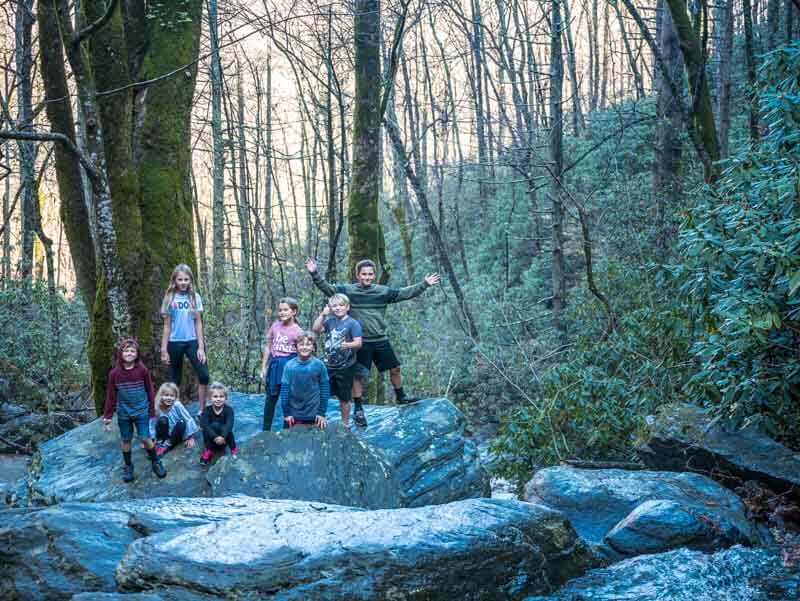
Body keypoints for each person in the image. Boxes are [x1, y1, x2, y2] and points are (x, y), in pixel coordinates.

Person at [305, 258, 440, 420]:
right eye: (363, 274)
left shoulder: (382, 291)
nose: (367, 277)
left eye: (370, 274)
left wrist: (424, 284)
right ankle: (359, 408)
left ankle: (401, 396)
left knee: (395, 368)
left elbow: (404, 293)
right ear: (357, 275)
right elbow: (328, 289)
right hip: (361, 341)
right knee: (358, 375)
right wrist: (314, 273)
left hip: (380, 339)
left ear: (374, 275)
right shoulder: (348, 291)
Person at [103, 338, 167, 482]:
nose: (129, 353)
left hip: (141, 411)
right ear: (121, 353)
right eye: (126, 351)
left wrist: (151, 409)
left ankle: (156, 461)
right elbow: (111, 395)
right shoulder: (114, 373)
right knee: (126, 439)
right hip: (124, 412)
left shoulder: (142, 370)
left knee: (145, 438)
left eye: (132, 351)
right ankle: (128, 466)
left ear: (137, 354)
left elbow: (149, 390)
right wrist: (107, 415)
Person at [160, 264, 209, 415]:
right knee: (175, 379)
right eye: (180, 279)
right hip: (174, 342)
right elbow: (167, 325)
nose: (183, 282)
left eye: (186, 279)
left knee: (204, 374)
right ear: (174, 280)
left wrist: (201, 347)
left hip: (192, 341)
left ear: (190, 280)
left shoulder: (195, 297)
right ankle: (176, 411)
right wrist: (163, 350)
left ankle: (202, 410)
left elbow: (198, 323)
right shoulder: (169, 298)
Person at [312, 294, 362, 428]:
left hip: (345, 366)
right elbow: (316, 329)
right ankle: (319, 419)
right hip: (328, 365)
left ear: (347, 307)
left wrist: (348, 345)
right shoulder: (330, 322)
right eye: (334, 306)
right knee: (323, 392)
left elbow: (358, 343)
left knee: (344, 397)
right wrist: (323, 315)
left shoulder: (353, 323)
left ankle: (345, 424)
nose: (338, 308)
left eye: (341, 305)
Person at [259, 297, 302, 431]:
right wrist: (264, 367)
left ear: (293, 312)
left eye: (285, 310)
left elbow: (302, 353)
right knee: (270, 399)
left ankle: (286, 431)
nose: (282, 313)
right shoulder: (275, 326)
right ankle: (265, 430)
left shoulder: (298, 331)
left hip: (289, 368)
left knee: (288, 400)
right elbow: (268, 347)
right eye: (280, 310)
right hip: (275, 367)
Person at [279, 330, 329, 430]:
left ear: (313, 347)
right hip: (293, 416)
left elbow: (325, 390)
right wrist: (286, 414)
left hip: (314, 415)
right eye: (301, 344)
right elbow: (285, 391)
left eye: (308, 344)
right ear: (296, 347)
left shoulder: (319, 365)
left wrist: (321, 413)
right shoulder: (289, 366)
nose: (305, 347)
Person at [150, 382, 198, 455]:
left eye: (172, 396)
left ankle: (168, 444)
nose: (169, 398)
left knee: (181, 422)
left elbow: (188, 419)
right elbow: (152, 423)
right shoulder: (157, 406)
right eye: (166, 395)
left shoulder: (177, 405)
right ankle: (159, 443)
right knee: (163, 419)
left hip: (176, 433)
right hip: (164, 433)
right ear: (161, 396)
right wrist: (151, 438)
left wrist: (191, 437)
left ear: (175, 397)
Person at [199, 382, 238, 465]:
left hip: (224, 438)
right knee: (208, 427)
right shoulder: (206, 410)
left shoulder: (229, 410)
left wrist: (223, 437)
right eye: (215, 396)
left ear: (226, 398)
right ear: (210, 398)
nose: (218, 399)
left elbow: (229, 424)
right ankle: (208, 450)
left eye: (221, 396)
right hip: (212, 438)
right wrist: (216, 437)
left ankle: (233, 449)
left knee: (228, 429)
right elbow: (205, 425)